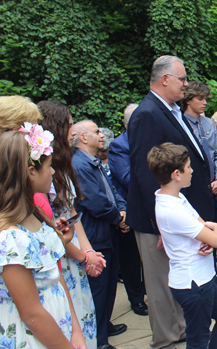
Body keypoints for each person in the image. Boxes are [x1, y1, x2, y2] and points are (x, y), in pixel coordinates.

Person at [127, 55, 214, 349]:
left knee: (175, 279)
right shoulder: (148, 114)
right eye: (182, 79)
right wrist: (161, 225)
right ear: (165, 79)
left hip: (177, 216)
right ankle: (166, 339)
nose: (186, 84)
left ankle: (179, 330)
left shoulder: (171, 110)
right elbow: (144, 172)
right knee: (161, 284)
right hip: (159, 221)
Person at [0, 128, 87, 349]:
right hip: (36, 337)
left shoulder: (36, 214)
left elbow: (55, 276)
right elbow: (32, 314)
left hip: (60, 325)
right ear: (31, 172)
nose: (52, 172)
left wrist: (75, 331)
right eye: (49, 167)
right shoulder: (9, 237)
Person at [148, 142, 217, 348]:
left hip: (201, 278)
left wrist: (205, 234)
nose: (192, 170)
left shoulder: (175, 197)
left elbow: (198, 226)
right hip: (193, 284)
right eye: (189, 167)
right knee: (198, 340)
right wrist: (216, 228)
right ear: (177, 175)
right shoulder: (172, 209)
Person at [38, 100, 105, 349]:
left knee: (85, 312)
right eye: (68, 126)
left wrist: (88, 252)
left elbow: (73, 215)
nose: (73, 132)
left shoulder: (63, 166)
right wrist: (82, 257)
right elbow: (53, 229)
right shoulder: (42, 170)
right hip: (62, 255)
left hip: (75, 250)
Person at [72, 120, 128, 349]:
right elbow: (95, 202)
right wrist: (118, 218)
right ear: (83, 138)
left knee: (109, 285)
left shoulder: (93, 161)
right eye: (96, 132)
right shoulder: (79, 165)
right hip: (96, 234)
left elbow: (112, 189)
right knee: (99, 288)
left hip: (108, 229)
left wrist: (122, 210)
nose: (101, 135)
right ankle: (99, 339)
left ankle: (105, 325)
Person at [182, 82, 217, 291]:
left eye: (206, 99)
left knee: (212, 233)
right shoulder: (180, 123)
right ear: (188, 99)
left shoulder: (209, 124)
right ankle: (195, 282)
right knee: (195, 237)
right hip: (192, 191)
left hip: (214, 190)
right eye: (200, 99)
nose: (204, 103)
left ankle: (213, 279)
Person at [108, 103, 148, 316]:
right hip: (129, 208)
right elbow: (126, 178)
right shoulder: (118, 145)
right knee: (132, 259)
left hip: (150, 206)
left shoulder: (149, 140)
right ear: (127, 124)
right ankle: (136, 299)